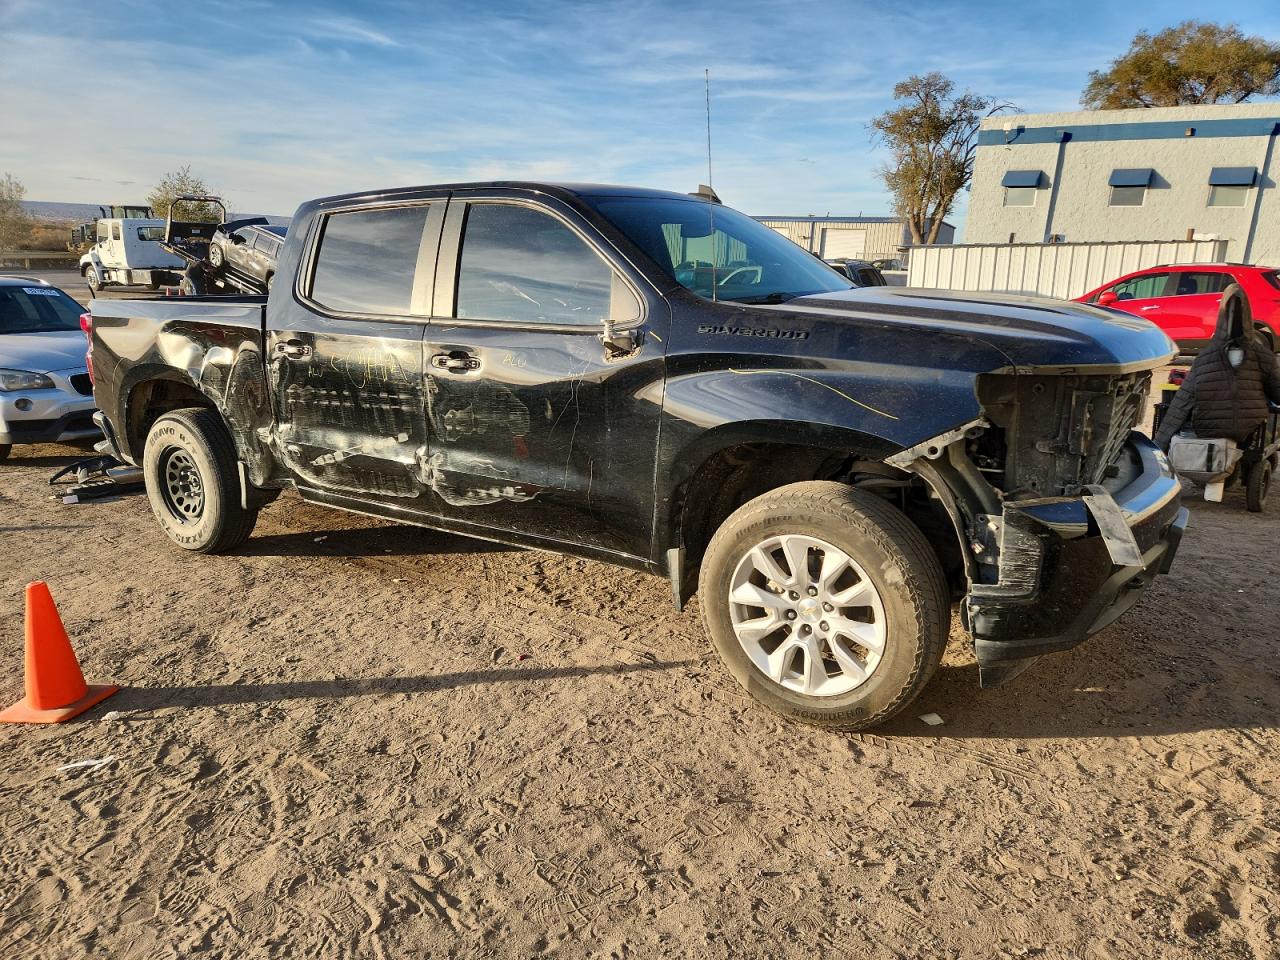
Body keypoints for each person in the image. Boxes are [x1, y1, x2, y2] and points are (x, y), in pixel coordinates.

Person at [1154, 283, 1280, 449]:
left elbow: (1182, 402)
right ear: (1248, 317)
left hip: (1209, 430)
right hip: (1250, 430)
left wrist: (1159, 445)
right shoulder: (1261, 355)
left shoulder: (1205, 357)